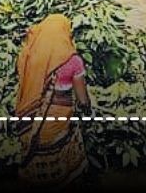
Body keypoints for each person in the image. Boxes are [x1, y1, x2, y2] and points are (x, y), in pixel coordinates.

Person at [12, 14, 91, 189]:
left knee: (35, 153)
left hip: (29, 118)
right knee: (64, 148)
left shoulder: (29, 55)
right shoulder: (73, 61)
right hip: (57, 123)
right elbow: (82, 99)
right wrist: (87, 110)